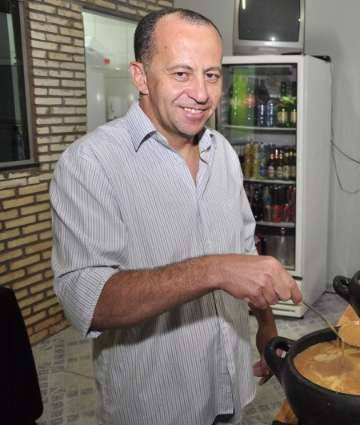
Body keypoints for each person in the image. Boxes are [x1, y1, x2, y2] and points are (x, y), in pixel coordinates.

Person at [49, 8, 302, 425]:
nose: (202, 93)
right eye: (181, 74)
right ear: (141, 76)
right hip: (156, 405)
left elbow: (242, 255)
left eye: (212, 75)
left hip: (231, 381)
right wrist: (215, 270)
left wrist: (265, 327)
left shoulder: (221, 151)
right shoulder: (90, 163)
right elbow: (87, 301)